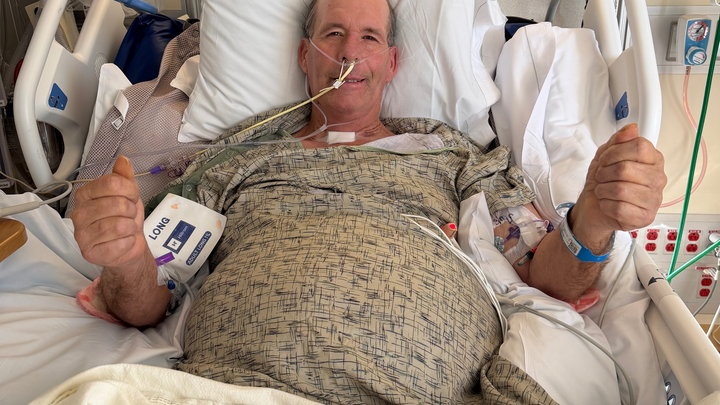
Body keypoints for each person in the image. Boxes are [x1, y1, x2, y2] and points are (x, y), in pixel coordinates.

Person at [70, 0, 667, 403]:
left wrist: (593, 218)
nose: (350, 52)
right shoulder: (236, 157)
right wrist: (125, 257)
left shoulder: (454, 154)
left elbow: (545, 276)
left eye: (370, 38)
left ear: (392, 63)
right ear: (306, 57)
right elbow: (149, 299)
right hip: (234, 386)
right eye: (333, 35)